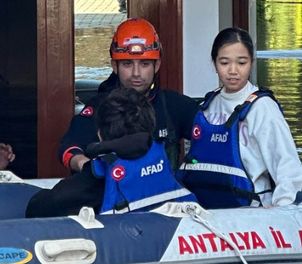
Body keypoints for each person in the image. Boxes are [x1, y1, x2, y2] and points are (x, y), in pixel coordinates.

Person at [176, 27, 302, 208]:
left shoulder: (262, 107)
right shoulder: (208, 105)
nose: (233, 71)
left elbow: (287, 166)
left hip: (252, 211)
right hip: (209, 210)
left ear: (251, 63)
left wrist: (282, 208)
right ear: (214, 64)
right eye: (224, 63)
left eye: (241, 63)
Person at [59, 17, 201, 173]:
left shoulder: (174, 105)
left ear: (157, 65)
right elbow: (70, 148)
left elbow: (213, 136)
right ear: (115, 66)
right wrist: (86, 166)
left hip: (165, 195)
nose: (136, 73)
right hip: (115, 195)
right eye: (127, 64)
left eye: (144, 64)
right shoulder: (99, 107)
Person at [26, 88, 195, 218]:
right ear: (151, 126)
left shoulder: (96, 179)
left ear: (99, 133)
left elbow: (36, 208)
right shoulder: (167, 168)